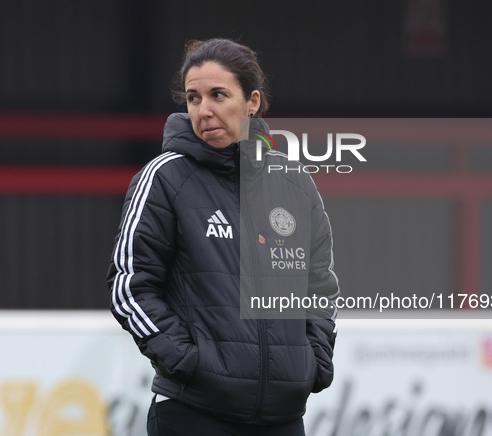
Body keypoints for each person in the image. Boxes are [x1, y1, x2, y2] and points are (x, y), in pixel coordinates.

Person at [107, 38, 339, 435]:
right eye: (194, 98)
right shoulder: (164, 178)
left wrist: (312, 361)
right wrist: (187, 362)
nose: (204, 109)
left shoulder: (294, 183)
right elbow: (129, 286)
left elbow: (319, 284)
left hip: (283, 417)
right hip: (194, 411)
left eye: (218, 95)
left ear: (252, 102)